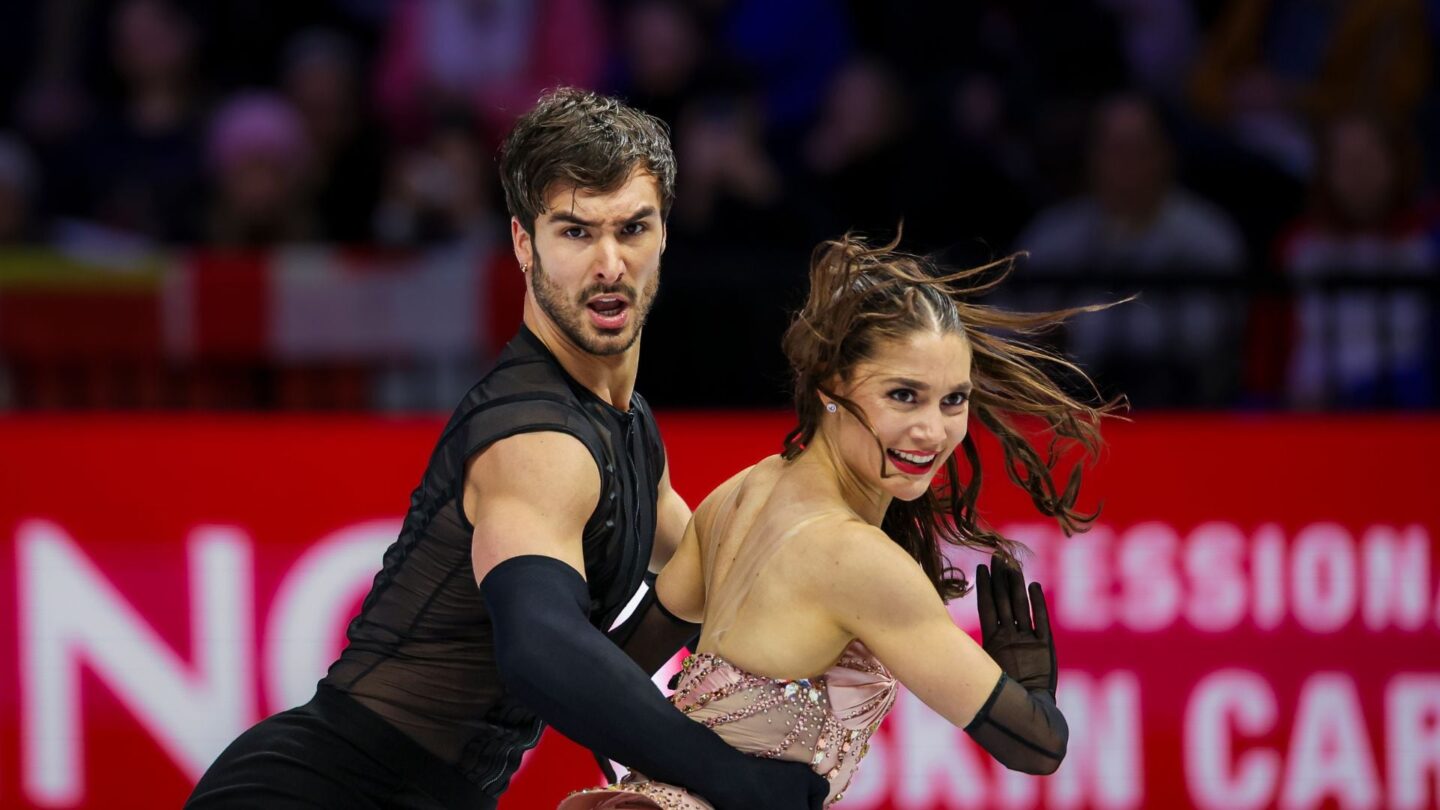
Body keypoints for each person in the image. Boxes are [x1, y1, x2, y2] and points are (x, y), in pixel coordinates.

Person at [187, 88, 827, 810]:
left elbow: (721, 571)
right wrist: (732, 778)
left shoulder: (628, 427)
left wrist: (895, 587)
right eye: (576, 233)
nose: (610, 264)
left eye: (633, 228)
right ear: (525, 244)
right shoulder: (537, 439)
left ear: (664, 234)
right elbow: (541, 649)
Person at [562, 233, 1121, 808]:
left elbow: (609, 680)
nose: (933, 430)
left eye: (954, 400)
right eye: (904, 396)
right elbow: (1037, 746)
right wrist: (1031, 687)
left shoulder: (744, 491)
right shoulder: (858, 561)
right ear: (831, 386)